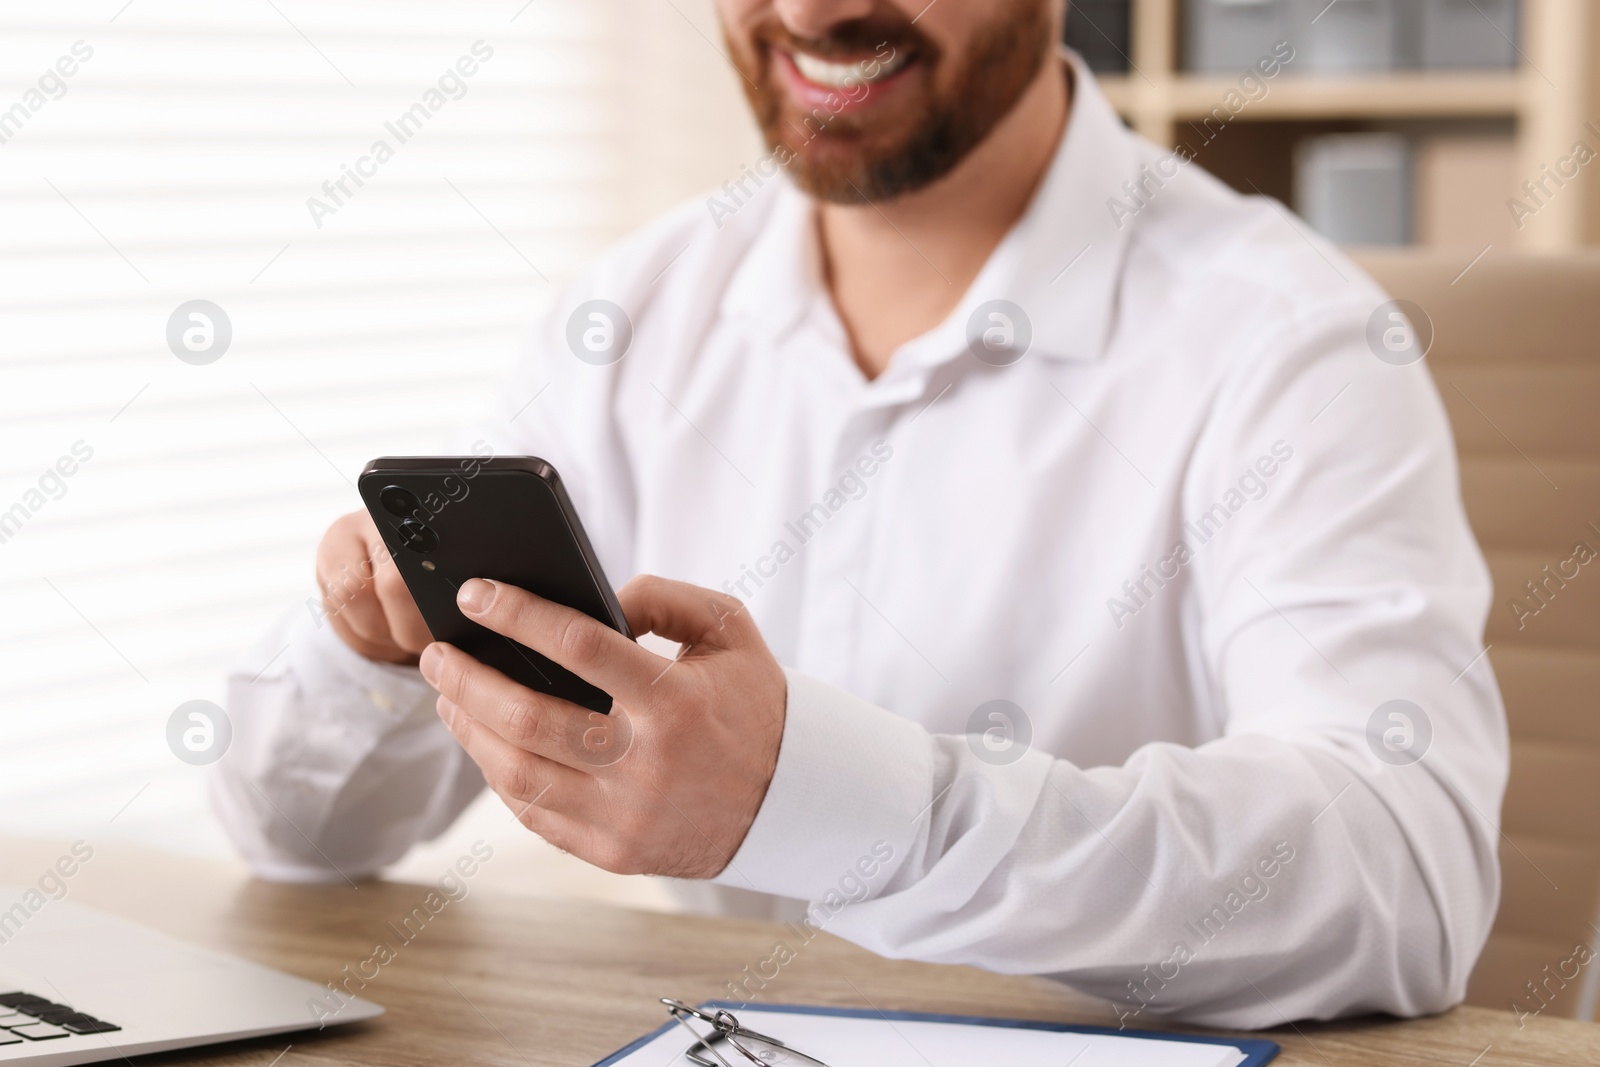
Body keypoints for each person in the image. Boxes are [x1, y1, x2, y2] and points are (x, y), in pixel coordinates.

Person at [211, 0, 1508, 1029]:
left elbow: (1405, 885)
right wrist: (371, 654)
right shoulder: (627, 322)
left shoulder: (1295, 344)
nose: (814, 7)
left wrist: (832, 801)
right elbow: (296, 845)